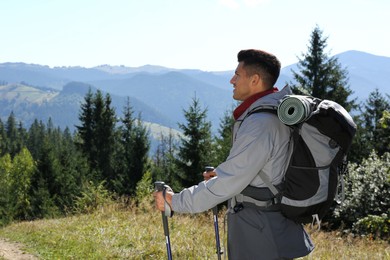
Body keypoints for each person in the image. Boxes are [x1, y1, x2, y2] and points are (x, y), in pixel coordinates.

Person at [154, 49, 314, 259]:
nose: (232, 80)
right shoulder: (272, 113)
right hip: (269, 226)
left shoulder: (261, 124)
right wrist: (222, 172)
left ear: (255, 80)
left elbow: (229, 183)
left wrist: (175, 201)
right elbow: (257, 166)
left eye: (237, 74)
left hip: (260, 232)